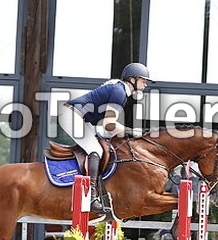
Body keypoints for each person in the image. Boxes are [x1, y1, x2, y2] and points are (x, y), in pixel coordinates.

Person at [58, 62, 151, 212]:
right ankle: (91, 197)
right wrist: (133, 131)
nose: (145, 84)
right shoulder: (119, 91)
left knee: (104, 147)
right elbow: (109, 124)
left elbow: (109, 129)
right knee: (96, 150)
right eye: (143, 80)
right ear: (132, 79)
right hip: (71, 116)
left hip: (83, 120)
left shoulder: (120, 90)